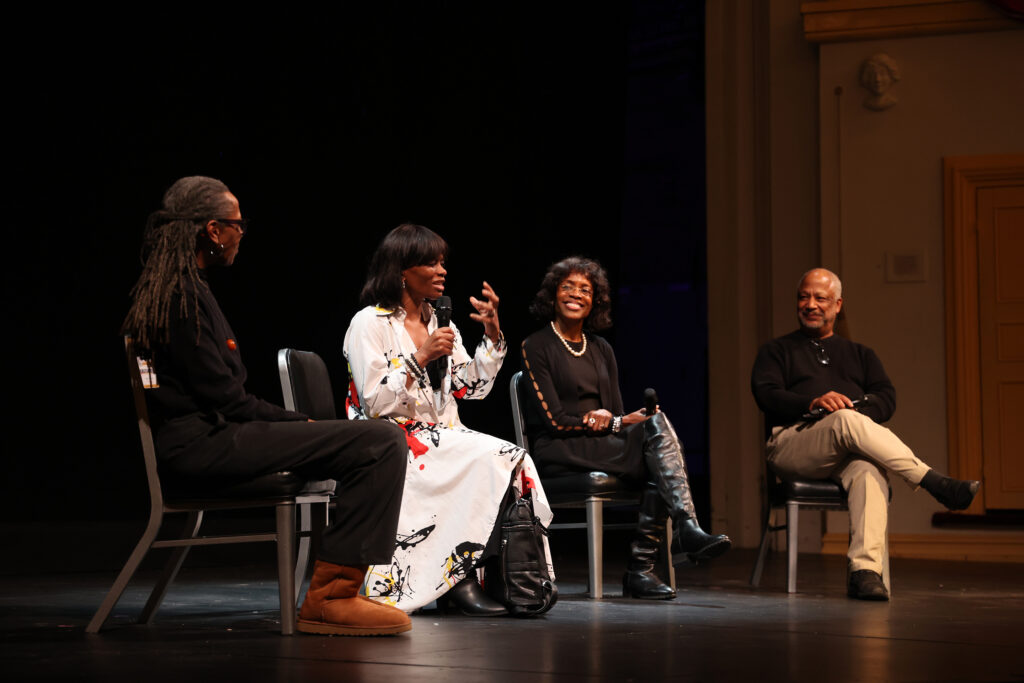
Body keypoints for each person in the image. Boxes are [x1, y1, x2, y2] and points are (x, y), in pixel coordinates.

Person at [122, 176, 411, 636]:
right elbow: (229, 401)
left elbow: (225, 398)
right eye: (237, 224)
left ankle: (337, 591)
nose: (242, 234)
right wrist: (302, 424)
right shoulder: (181, 298)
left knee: (376, 439)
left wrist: (302, 426)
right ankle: (330, 597)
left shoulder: (183, 289)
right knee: (379, 440)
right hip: (204, 444)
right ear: (213, 230)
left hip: (210, 435)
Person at [344, 223, 552, 615]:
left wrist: (491, 337)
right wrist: (420, 356)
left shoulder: (439, 321)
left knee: (511, 458)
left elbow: (470, 388)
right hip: (388, 440)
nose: (442, 271)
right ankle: (460, 581)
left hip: (440, 434)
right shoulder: (369, 323)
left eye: (443, 263)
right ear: (402, 270)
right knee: (497, 456)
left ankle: (507, 577)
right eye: (431, 263)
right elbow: (373, 400)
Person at [750, 267, 981, 601]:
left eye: (821, 298)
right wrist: (813, 402)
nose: (811, 304)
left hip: (844, 452)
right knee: (843, 419)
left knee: (870, 470)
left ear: (838, 305)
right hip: (792, 444)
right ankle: (933, 482)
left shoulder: (861, 354)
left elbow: (886, 399)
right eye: (804, 296)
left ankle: (865, 573)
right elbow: (766, 394)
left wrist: (854, 415)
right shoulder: (776, 351)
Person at [520, 256, 730, 601]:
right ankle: (663, 550)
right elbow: (553, 421)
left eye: (585, 289)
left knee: (655, 432)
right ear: (552, 295)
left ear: (595, 301)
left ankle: (647, 565)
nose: (575, 294)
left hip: (602, 445)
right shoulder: (536, 346)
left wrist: (624, 420)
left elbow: (616, 414)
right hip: (558, 447)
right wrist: (614, 422)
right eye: (567, 287)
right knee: (657, 451)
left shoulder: (602, 349)